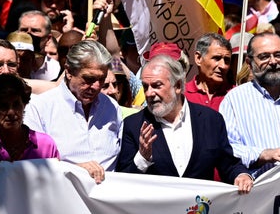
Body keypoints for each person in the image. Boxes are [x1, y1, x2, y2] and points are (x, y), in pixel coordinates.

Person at [117, 56, 253, 193]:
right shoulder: (133, 125)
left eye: (157, 86)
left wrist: (241, 175)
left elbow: (228, 164)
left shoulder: (210, 120)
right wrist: (142, 158)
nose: (149, 93)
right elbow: (123, 182)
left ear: (177, 86)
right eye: (145, 87)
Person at [25, 40, 122, 183]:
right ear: (69, 72)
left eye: (101, 79)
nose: (96, 86)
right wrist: (74, 171)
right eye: (89, 79)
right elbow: (32, 166)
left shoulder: (112, 107)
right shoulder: (39, 108)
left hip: (106, 202)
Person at [219, 32, 280, 175]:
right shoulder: (234, 100)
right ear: (249, 63)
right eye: (264, 57)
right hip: (262, 194)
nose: (273, 62)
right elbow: (228, 149)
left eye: (278, 55)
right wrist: (263, 154)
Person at [0, 74, 59, 166]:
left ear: (24, 104)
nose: (11, 112)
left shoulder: (46, 145)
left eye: (16, 104)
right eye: (3, 106)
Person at [185, 33, 234, 110]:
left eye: (227, 60)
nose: (223, 66)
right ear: (198, 58)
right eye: (217, 58)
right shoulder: (182, 95)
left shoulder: (235, 95)